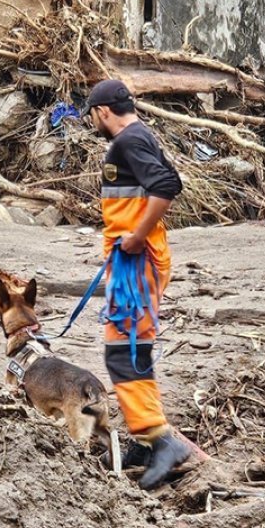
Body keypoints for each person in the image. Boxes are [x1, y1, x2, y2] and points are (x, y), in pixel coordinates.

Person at [87, 79, 191, 489]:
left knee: (122, 352)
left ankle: (160, 439)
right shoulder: (139, 135)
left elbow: (166, 187)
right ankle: (144, 442)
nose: (92, 120)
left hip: (136, 262)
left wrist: (135, 236)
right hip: (135, 260)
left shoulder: (128, 141)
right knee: (132, 346)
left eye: (91, 114)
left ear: (103, 111)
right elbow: (173, 179)